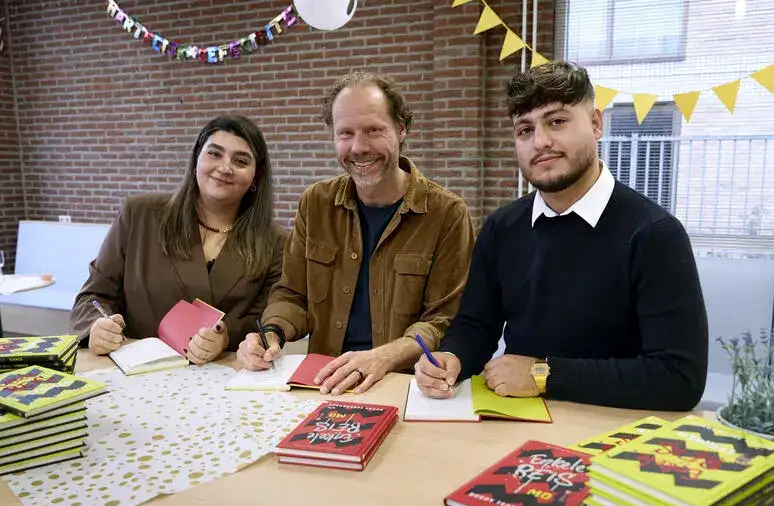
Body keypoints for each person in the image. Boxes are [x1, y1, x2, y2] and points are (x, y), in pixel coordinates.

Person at [414, 61, 709, 411]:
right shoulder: (502, 227)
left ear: (596, 123)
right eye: (524, 130)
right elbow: (476, 325)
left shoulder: (655, 235)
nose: (541, 142)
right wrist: (453, 357)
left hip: (614, 434)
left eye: (557, 121)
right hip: (516, 422)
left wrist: (543, 375)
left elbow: (679, 378)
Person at [237, 71, 474, 395]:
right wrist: (271, 333)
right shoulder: (315, 203)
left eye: (373, 130)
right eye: (345, 133)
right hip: (323, 383)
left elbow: (443, 319)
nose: (358, 147)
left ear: (401, 129)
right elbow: (292, 294)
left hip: (404, 386)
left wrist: (383, 357)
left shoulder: (447, 214)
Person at [70, 115, 286, 364]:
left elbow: (266, 322)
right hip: (134, 373)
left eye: (240, 161)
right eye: (214, 154)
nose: (225, 167)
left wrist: (226, 338)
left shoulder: (275, 242)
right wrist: (96, 326)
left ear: (256, 179)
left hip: (221, 377)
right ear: (196, 160)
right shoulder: (139, 215)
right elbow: (93, 296)